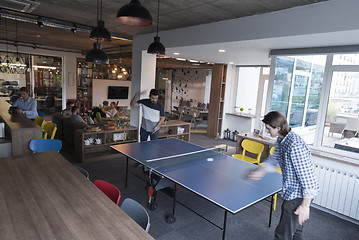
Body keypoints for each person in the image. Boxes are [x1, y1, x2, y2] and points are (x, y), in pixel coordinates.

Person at [248, 111, 319, 240]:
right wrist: (261, 171)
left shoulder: (295, 146)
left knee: (282, 234)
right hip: (292, 191)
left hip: (298, 196)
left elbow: (309, 180)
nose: (266, 131)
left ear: (278, 128)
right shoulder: (281, 140)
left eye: (268, 128)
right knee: (296, 231)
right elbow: (274, 158)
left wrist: (305, 206)